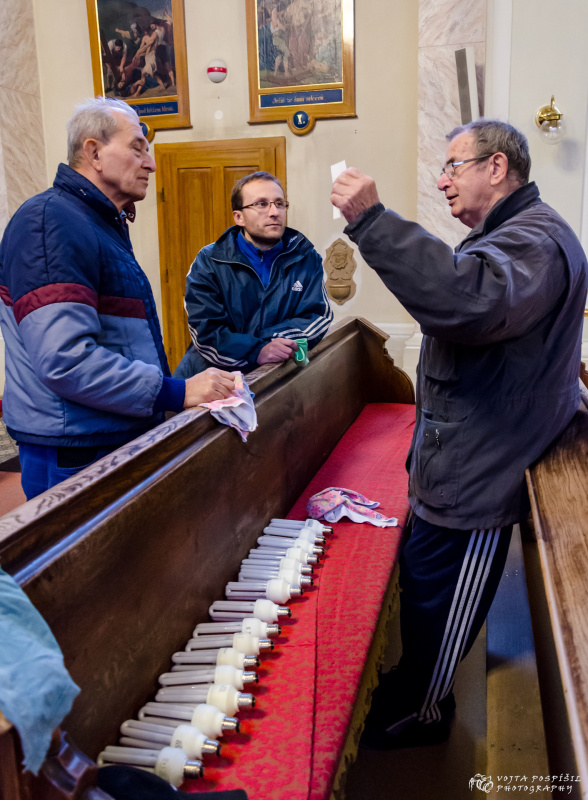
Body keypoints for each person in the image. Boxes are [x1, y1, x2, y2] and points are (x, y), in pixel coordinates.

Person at [331, 119, 588, 749]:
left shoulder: (536, 238)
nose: (442, 180)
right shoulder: (511, 234)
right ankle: (413, 689)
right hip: (462, 461)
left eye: (453, 165)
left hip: (481, 473)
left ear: (496, 168)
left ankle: (421, 711)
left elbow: (466, 301)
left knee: (442, 606)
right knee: (425, 590)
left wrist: (372, 219)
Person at [0, 97, 235, 500]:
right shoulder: (52, 221)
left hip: (104, 435)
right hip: (75, 448)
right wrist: (176, 392)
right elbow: (65, 358)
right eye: (138, 148)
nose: (151, 164)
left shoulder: (92, 222)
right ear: (93, 152)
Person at [174, 171, 333, 378]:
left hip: (277, 376)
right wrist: (256, 350)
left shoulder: (306, 256)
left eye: (279, 203)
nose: (274, 212)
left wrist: (271, 343)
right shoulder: (209, 261)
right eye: (261, 204)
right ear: (238, 217)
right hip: (215, 380)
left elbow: (317, 317)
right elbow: (206, 333)